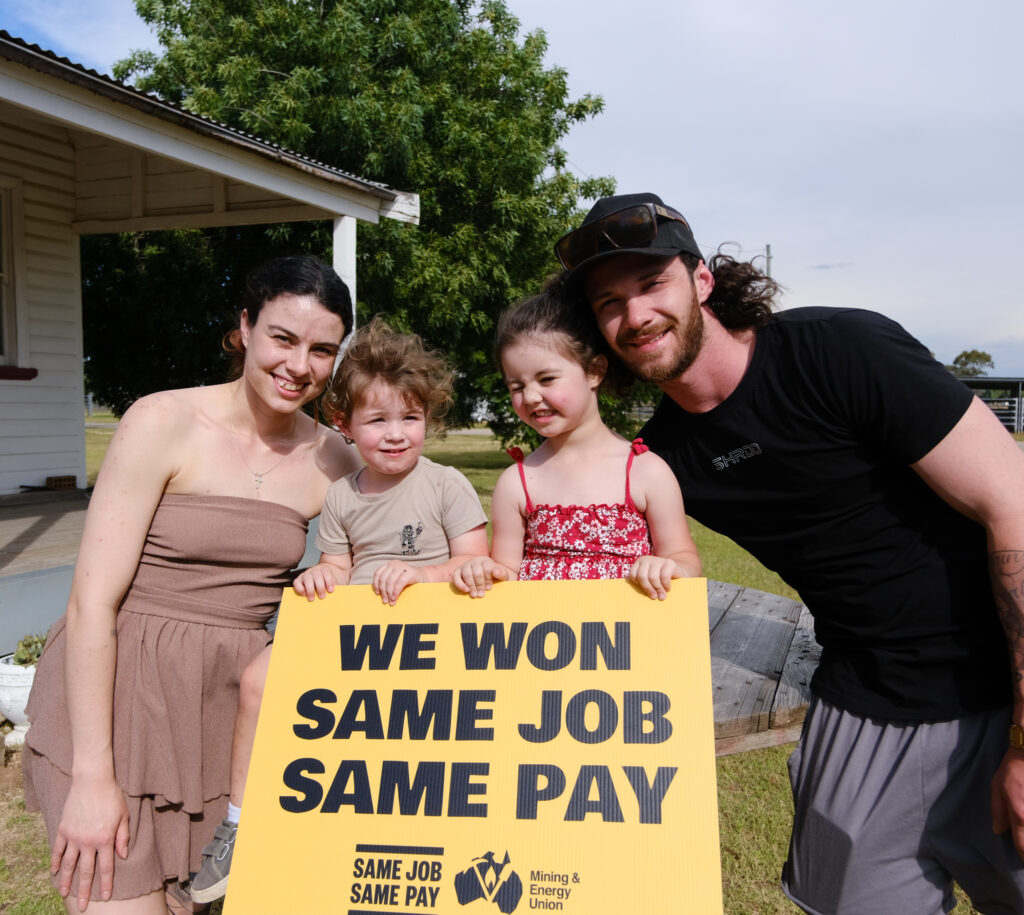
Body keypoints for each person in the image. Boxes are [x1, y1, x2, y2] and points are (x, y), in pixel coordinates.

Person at [554, 191, 1024, 914]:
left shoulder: (839, 349)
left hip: (1000, 698)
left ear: (701, 279)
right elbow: (569, 557)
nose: (635, 315)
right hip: (865, 702)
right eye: (608, 304)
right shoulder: (663, 459)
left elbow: (1013, 503)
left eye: (651, 283)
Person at [21, 255, 360, 915]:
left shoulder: (335, 458)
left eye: (322, 350)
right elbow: (92, 604)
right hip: (120, 701)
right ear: (245, 327)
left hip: (228, 717)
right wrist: (92, 775)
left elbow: (395, 548)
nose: (299, 365)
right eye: (283, 338)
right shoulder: (162, 421)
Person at [190, 315, 488, 904]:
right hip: (357, 641)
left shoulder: (445, 484)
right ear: (344, 424)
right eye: (377, 420)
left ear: (429, 418)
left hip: (431, 643)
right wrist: (323, 577)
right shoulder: (342, 497)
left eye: (410, 418)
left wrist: (424, 575)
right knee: (258, 680)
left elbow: (476, 565)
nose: (396, 434)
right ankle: (240, 823)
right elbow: (336, 565)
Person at [452, 290, 701, 599]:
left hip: (628, 628)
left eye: (546, 379)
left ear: (594, 371)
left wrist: (670, 568)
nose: (530, 396)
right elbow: (506, 575)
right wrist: (486, 572)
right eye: (516, 386)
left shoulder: (646, 471)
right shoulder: (517, 483)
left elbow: (684, 558)